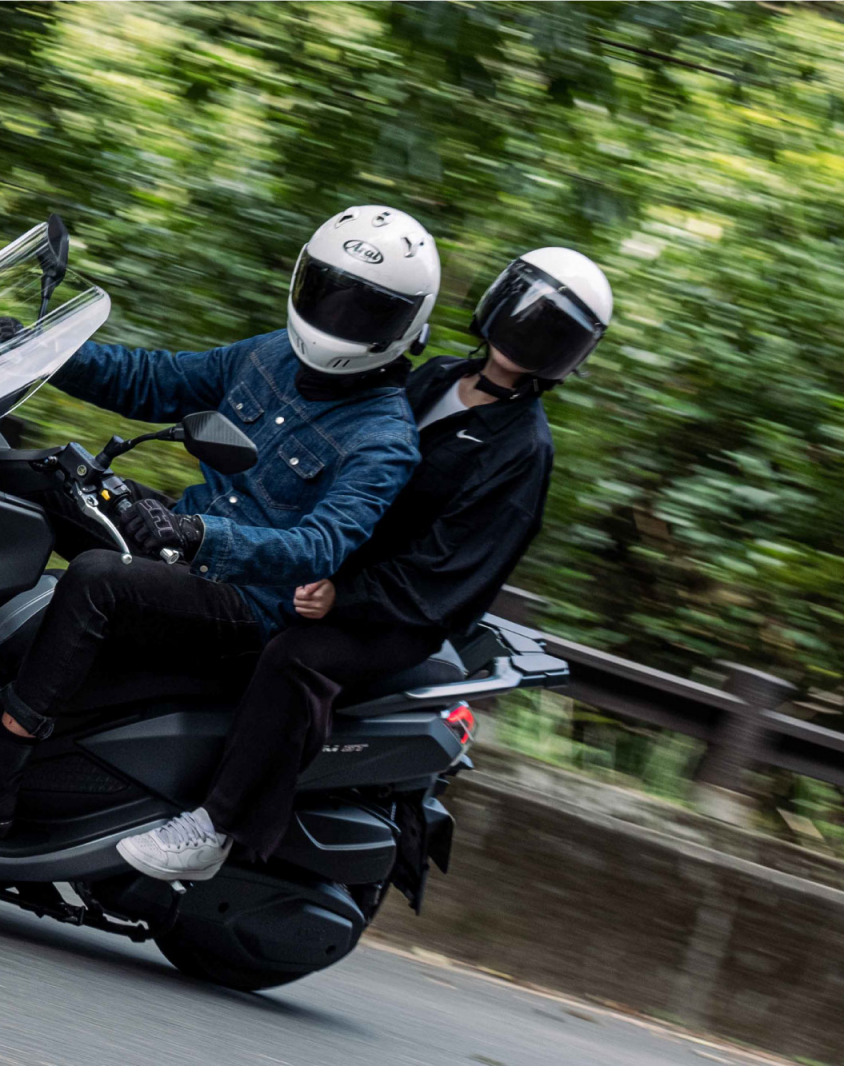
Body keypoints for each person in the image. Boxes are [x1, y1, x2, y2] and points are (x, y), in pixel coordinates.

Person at [0, 205, 442, 838]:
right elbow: (156, 381)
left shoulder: (384, 438)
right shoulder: (272, 356)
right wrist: (41, 353)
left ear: (405, 324)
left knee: (99, 580)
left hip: (248, 603)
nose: (338, 319)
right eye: (328, 292)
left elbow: (319, 546)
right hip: (186, 537)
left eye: (366, 310)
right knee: (39, 474)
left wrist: (201, 536)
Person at [116, 246, 614, 879]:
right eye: (527, 314)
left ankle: (216, 827)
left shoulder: (523, 449)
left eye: (552, 331)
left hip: (398, 611)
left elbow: (449, 565)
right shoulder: (436, 375)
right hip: (331, 559)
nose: (528, 335)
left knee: (296, 657)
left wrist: (346, 597)